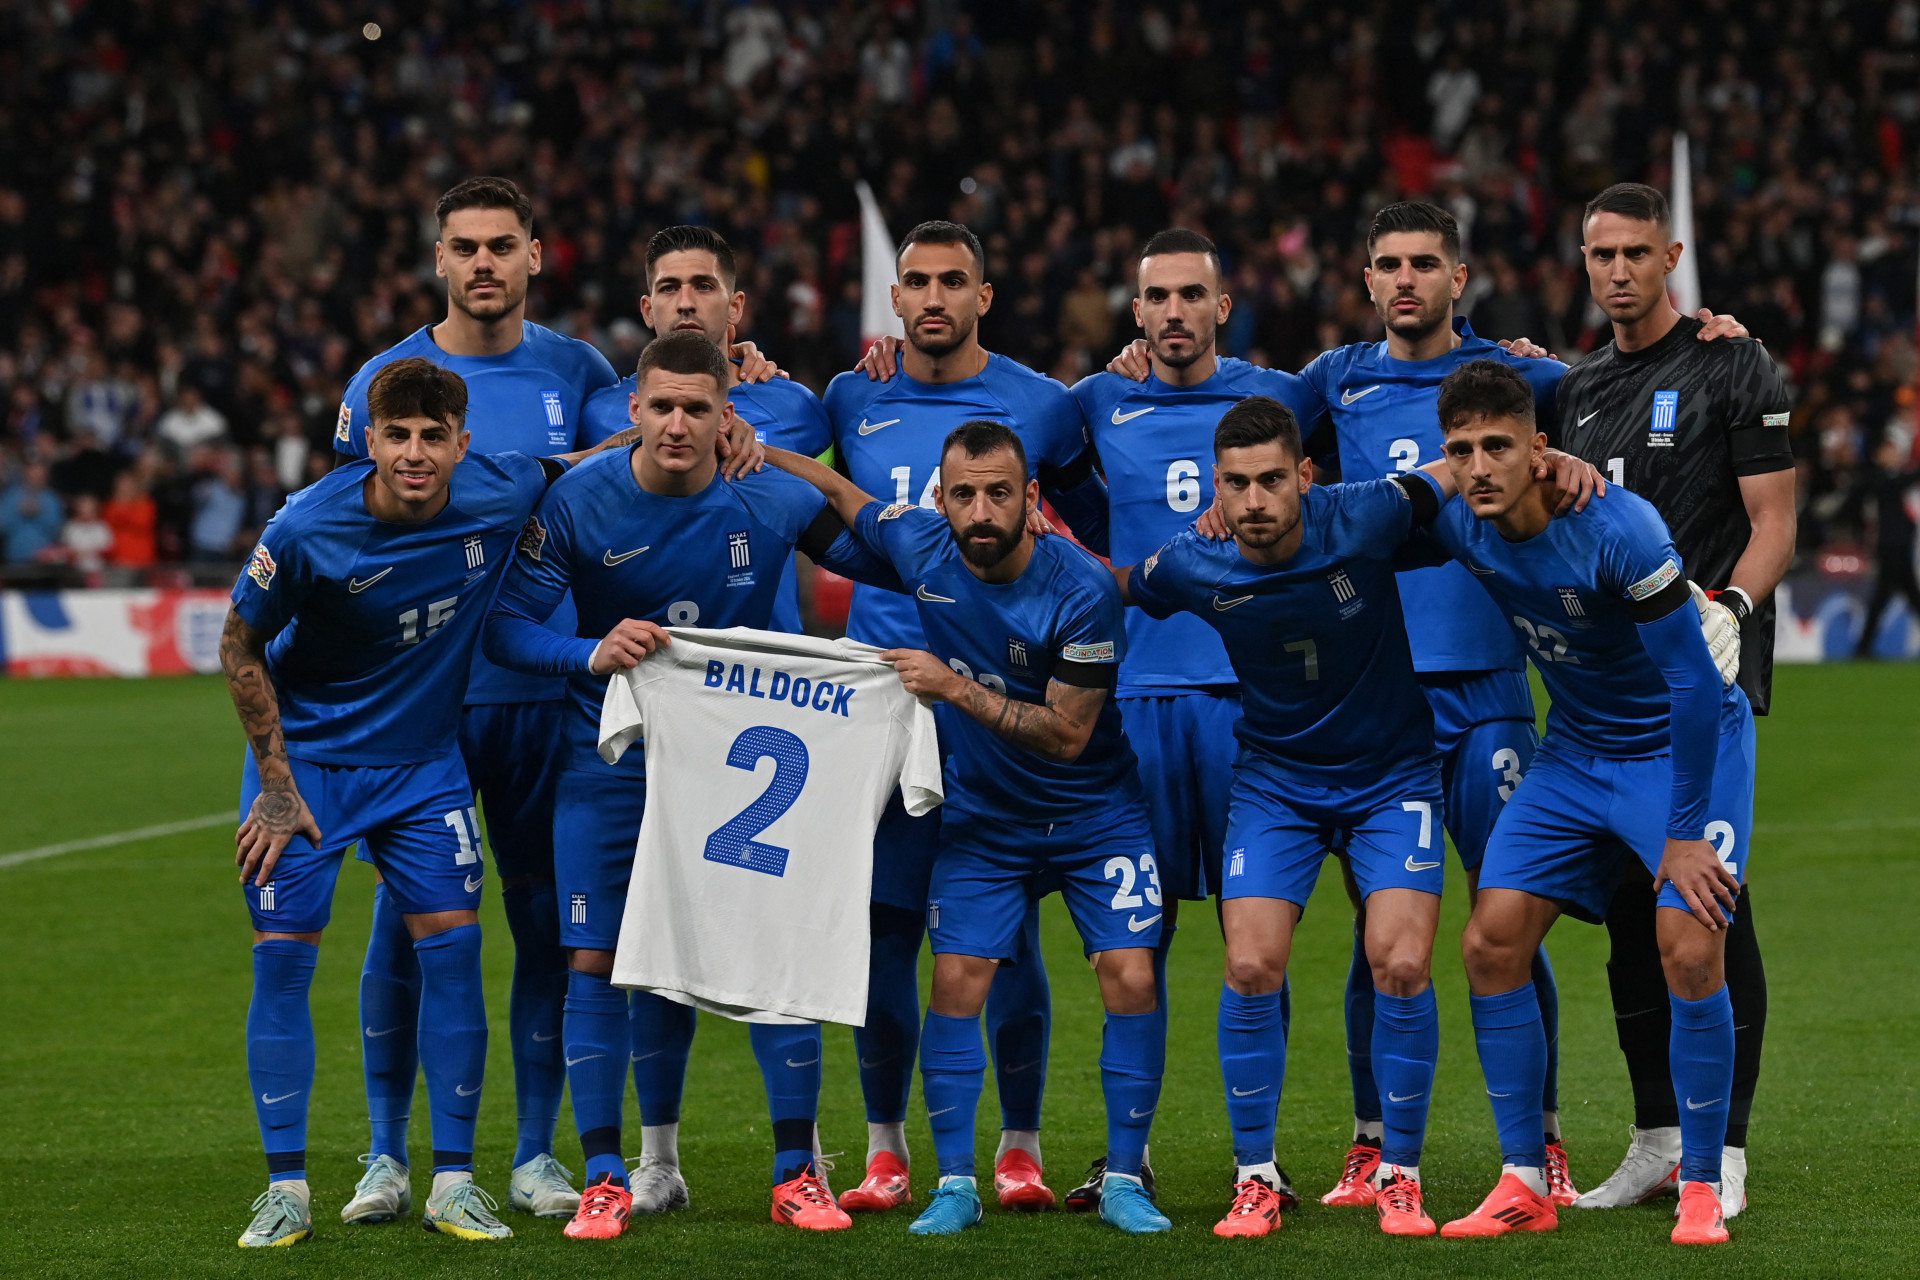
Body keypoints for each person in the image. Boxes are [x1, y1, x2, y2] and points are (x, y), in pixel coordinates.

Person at [1111, 395, 1594, 1239]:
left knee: (1401, 962)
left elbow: (1456, 471)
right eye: (1237, 485)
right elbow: (1121, 584)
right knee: (1252, 964)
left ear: (1305, 476)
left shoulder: (1366, 513)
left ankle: (1399, 1177)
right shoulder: (1195, 561)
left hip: (1390, 779)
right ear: (1215, 491)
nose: (1254, 502)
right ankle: (1256, 1178)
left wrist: (1548, 464)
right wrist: (1038, 542)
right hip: (1276, 785)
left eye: (1270, 481)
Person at [482, 331, 890, 1241]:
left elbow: (889, 561)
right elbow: (506, 630)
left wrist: (817, 474)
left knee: (772, 951)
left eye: (696, 409)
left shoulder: (771, 498)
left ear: (723, 417)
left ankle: (797, 1173)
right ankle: (602, 1176)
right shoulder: (578, 501)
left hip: (737, 763)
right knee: (593, 957)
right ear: (632, 409)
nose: (677, 424)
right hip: (610, 759)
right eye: (661, 406)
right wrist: (587, 651)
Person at [220, 357, 621, 1247]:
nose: (413, 453)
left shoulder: (499, 487)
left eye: (432, 436)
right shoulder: (307, 526)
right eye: (395, 435)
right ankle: (286, 1188)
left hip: (424, 769)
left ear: (461, 443)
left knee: (455, 953)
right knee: (283, 961)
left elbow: (592, 459)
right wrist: (276, 784)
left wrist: (728, 432)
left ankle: (451, 1183)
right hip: (310, 768)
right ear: (368, 440)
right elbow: (237, 643)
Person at [764, 421, 1172, 1238]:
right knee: (956, 982)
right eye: (963, 495)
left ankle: (1125, 1178)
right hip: (985, 820)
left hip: (1096, 814)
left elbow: (1066, 734)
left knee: (1130, 975)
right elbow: (842, 494)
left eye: (997, 493)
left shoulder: (1082, 591)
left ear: (1031, 500)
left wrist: (953, 687)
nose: (980, 511)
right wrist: (752, 447)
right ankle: (955, 1183)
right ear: (940, 501)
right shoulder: (922, 547)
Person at [330, 176, 620, 1225]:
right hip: (423, 705)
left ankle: (538, 1152)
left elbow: (637, 450)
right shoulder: (387, 378)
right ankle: (383, 1153)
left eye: (503, 245)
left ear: (536, 255)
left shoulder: (579, 369)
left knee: (544, 920)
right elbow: (345, 537)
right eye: (466, 246)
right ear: (438, 258)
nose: (484, 263)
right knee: (404, 924)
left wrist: (746, 384)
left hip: (543, 692)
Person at [1422, 360, 1751, 1248]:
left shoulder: (1620, 530)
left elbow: (1690, 683)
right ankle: (1524, 1179)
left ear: (1541, 449)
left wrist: (1683, 836)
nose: (1481, 465)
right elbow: (1372, 505)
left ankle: (1701, 1182)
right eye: (1463, 450)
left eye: (1500, 445)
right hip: (1575, 750)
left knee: (1687, 946)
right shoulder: (1456, 514)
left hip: (1684, 745)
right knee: (1490, 941)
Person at [831, 221, 1111, 1214]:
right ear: (895, 297)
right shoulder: (851, 394)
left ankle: (1021, 1145)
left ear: (984, 294)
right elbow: (824, 511)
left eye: (955, 279)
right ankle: (884, 1148)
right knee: (884, 931)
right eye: (917, 281)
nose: (934, 296)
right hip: (883, 705)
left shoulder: (1044, 404)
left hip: (996, 707)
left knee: (1009, 935)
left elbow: (1091, 530)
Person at [1066, 227, 1322, 1211]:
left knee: (1255, 939)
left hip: (1253, 705)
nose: (1173, 312)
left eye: (1191, 295)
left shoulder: (1281, 397)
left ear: (1224, 306)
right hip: (1132, 707)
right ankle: (1124, 1159)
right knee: (1137, 939)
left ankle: (1259, 1161)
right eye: (1156, 297)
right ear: (1135, 312)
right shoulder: (1094, 400)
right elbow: (1013, 451)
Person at [1553, 183, 1793, 1219]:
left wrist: (1732, 606)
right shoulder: (1575, 386)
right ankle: (1657, 1133)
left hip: (1705, 680)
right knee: (1622, 914)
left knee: (1708, 911)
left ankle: (1722, 1144)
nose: (1616, 270)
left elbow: (1775, 515)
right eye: (1600, 253)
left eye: (1636, 253)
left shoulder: (1733, 359)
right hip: (1609, 695)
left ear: (1672, 255)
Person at [1854, 436, 1920, 656]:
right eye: (1889, 452)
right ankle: (1863, 646)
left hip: (1899, 547)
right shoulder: (1879, 478)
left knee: (1894, 597)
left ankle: (1864, 645)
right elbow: (1902, 481)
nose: (1894, 456)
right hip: (1891, 548)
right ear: (1879, 456)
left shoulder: (1892, 478)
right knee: (1889, 597)